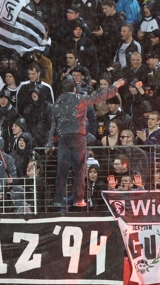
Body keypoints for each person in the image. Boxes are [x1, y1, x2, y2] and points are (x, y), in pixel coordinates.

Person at [47, 77, 124, 207]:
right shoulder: (79, 99)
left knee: (62, 170)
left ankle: (58, 200)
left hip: (63, 138)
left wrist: (49, 143)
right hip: (78, 137)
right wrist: (115, 87)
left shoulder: (56, 104)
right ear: (74, 89)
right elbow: (99, 97)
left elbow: (53, 126)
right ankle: (78, 199)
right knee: (80, 169)